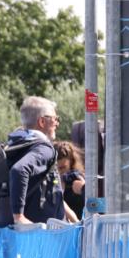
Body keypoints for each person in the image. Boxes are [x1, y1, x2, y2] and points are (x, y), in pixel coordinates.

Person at [9, 96, 64, 225]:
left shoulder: (16, 144)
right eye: (55, 119)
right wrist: (18, 216)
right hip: (41, 234)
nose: (57, 123)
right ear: (42, 122)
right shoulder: (43, 147)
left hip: (19, 233)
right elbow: (19, 170)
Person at [54, 140, 85, 222]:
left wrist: (84, 190)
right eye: (54, 168)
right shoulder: (50, 181)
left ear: (71, 162)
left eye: (62, 168)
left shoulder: (78, 179)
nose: (58, 172)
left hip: (79, 228)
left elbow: (99, 205)